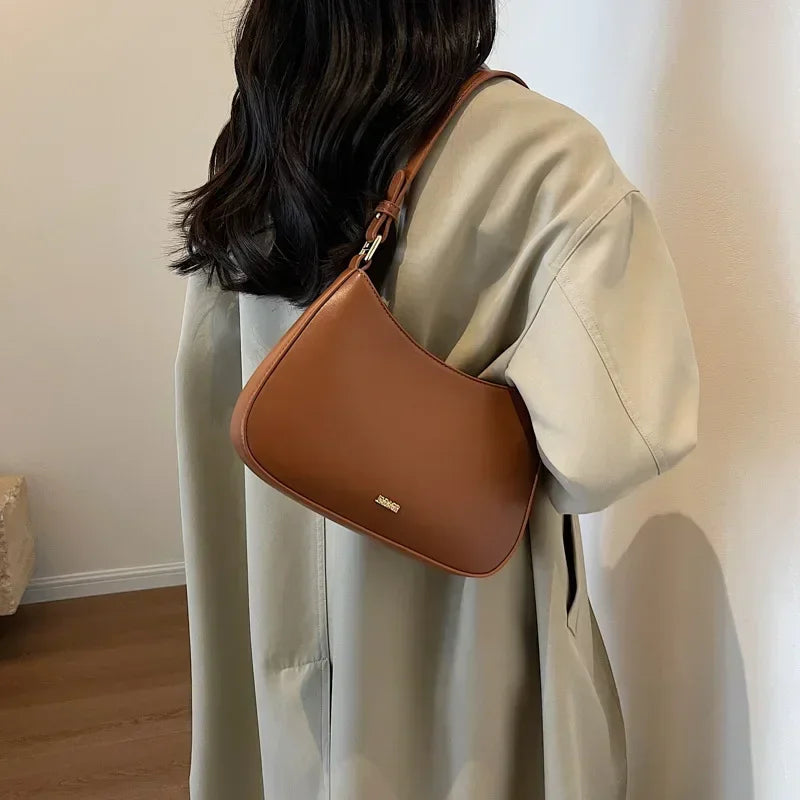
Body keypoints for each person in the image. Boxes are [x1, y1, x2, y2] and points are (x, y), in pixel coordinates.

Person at [172, 2, 699, 798]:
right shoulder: (544, 156)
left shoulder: (258, 135)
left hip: (270, 560)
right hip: (458, 615)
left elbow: (207, 374)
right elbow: (615, 448)